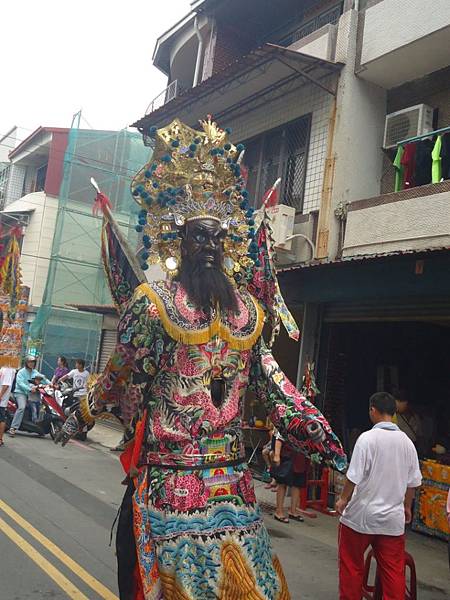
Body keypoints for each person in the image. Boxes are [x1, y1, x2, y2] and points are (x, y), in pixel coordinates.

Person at [55, 117, 347, 599]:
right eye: (199, 237)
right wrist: (82, 414)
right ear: (180, 242)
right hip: (171, 478)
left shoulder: (247, 315)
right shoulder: (156, 305)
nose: (209, 247)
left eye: (217, 238)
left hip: (227, 484)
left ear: (228, 244)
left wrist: (328, 445)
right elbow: (121, 372)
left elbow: (276, 390)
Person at [336, 392, 422, 600]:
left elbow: (353, 476)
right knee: (393, 572)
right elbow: (413, 483)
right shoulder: (408, 443)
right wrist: (407, 506)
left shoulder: (367, 439)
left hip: (361, 517)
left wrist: (343, 499)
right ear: (393, 413)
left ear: (372, 410)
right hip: (392, 520)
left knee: (351, 566)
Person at [9, 356, 49, 436]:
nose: (31, 364)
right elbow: (20, 383)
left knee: (41, 406)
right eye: (30, 362)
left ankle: (37, 426)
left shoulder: (35, 372)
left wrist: (50, 383)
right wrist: (29, 389)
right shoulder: (21, 372)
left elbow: (43, 378)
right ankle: (13, 427)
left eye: (33, 362)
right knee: (22, 407)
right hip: (20, 393)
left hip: (32, 394)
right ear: (26, 363)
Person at [272, 433, 308, 523]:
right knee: (282, 482)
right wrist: (276, 455)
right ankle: (279, 511)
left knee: (297, 484)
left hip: (301, 455)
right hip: (288, 454)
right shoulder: (289, 421)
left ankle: (293, 511)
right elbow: (279, 437)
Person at [0, 363, 16, 446]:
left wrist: (0, 396)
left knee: (1, 419)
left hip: (1, 400)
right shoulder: (4, 367)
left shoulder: (8, 369)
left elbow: (6, 385)